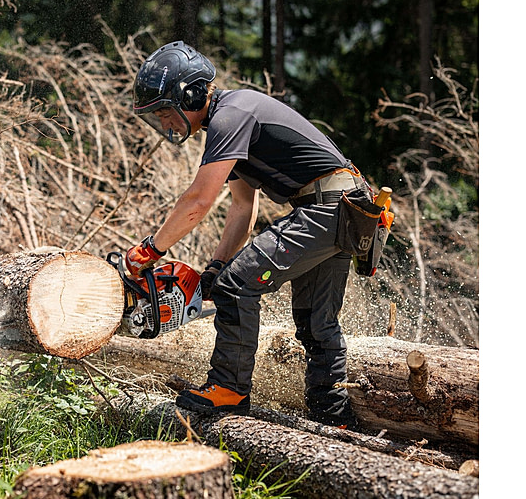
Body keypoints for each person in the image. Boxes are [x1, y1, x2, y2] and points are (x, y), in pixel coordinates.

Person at [124, 40, 390, 428]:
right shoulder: (231, 122)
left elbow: (198, 201)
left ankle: (229, 389)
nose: (165, 123)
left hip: (331, 207)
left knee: (238, 287)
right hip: (341, 207)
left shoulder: (231, 116)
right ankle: (332, 414)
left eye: (166, 111)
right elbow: (241, 209)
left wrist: (150, 250)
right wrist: (216, 266)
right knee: (316, 319)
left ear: (193, 94)